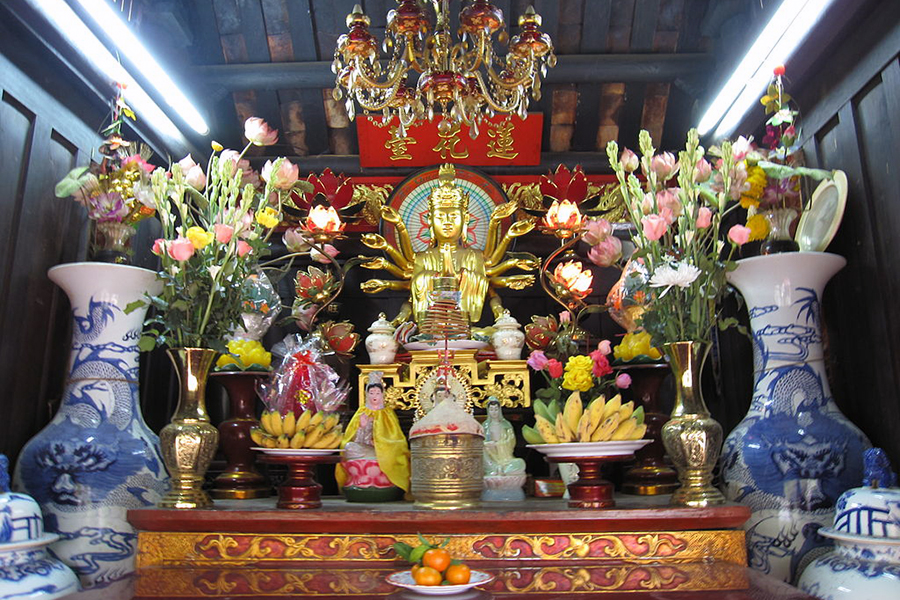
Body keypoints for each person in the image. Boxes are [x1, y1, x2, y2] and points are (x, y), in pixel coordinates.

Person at [336, 372, 410, 501]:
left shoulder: (387, 414)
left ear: (383, 395)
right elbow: (354, 439)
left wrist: (381, 444)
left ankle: (384, 481)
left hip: (383, 452)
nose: (374, 396)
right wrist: (362, 427)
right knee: (349, 446)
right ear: (366, 394)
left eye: (377, 393)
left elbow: (396, 440)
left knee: (392, 454)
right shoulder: (361, 413)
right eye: (371, 393)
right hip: (364, 450)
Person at [483, 397, 526, 477]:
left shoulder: (506, 425)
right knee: (482, 453)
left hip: (506, 458)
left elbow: (511, 441)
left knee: (520, 463)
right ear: (488, 411)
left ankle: (503, 471)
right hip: (491, 457)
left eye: (496, 409)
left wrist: (497, 444)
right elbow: (481, 442)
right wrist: (487, 444)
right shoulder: (485, 426)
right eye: (491, 410)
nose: (494, 412)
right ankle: (495, 469)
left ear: (499, 410)